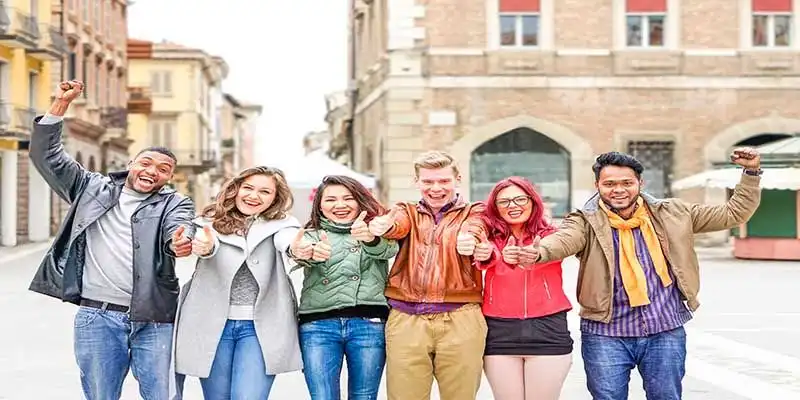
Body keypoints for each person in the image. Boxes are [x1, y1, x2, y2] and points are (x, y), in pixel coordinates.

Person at [531, 150, 762, 400]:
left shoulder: (673, 213)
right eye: (609, 184)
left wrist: (750, 174)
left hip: (665, 329)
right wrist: (539, 252)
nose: (618, 190)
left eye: (626, 183)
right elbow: (565, 240)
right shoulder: (584, 221)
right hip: (605, 334)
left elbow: (733, 214)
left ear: (640, 183)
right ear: (597, 185)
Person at [28, 80, 196, 400]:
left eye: (163, 169)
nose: (152, 171)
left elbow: (179, 227)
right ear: (130, 164)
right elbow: (46, 156)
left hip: (156, 318)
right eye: (146, 163)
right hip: (97, 317)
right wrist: (60, 104)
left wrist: (180, 242)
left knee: (164, 395)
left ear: (169, 178)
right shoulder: (90, 187)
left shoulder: (175, 202)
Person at [367, 150, 487, 400]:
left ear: (457, 179)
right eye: (428, 181)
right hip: (406, 319)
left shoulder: (474, 211)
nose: (436, 188)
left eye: (444, 181)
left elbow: (477, 227)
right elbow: (397, 224)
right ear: (417, 181)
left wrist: (470, 239)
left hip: (461, 317)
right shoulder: (406, 210)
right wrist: (383, 227)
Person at [174, 166, 302, 399]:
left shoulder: (283, 225)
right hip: (212, 324)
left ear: (275, 198)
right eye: (249, 188)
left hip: (259, 327)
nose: (254, 196)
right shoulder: (208, 221)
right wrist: (204, 247)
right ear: (236, 188)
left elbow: (289, 241)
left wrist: (299, 248)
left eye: (265, 192)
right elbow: (205, 242)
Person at [290, 175, 399, 400]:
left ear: (360, 201)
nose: (340, 205)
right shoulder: (310, 234)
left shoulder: (376, 231)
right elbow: (298, 253)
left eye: (348, 198)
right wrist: (304, 252)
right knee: (322, 396)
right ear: (319, 205)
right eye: (330, 200)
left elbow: (388, 251)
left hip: (369, 324)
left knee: (365, 396)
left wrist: (370, 238)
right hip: (318, 325)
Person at [467, 176, 573, 400]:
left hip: (548, 329)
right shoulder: (489, 238)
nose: (512, 206)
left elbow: (552, 249)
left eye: (519, 199)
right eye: (504, 202)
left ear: (533, 201)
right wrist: (495, 255)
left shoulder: (552, 235)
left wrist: (534, 254)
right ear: (495, 208)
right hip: (499, 330)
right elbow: (487, 253)